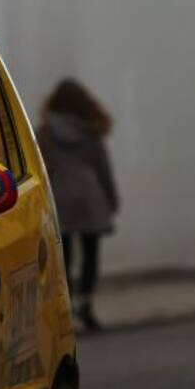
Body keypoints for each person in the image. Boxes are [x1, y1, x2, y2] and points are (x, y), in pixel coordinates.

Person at [37, 79, 120, 332]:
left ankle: (67, 305)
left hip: (60, 195)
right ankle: (86, 304)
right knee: (91, 254)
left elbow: (40, 167)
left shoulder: (45, 132)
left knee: (64, 256)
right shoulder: (91, 132)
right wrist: (111, 197)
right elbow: (102, 167)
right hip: (90, 195)